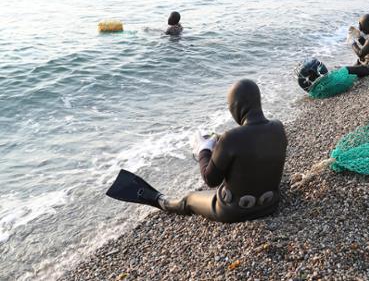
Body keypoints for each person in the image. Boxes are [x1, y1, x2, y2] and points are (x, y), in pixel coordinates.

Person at [106, 79, 288, 223]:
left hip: (233, 210)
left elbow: (211, 180)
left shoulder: (230, 138)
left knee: (190, 199)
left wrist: (204, 150)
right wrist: (222, 149)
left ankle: (160, 200)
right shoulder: (278, 128)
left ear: (236, 107)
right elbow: (254, 156)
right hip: (271, 204)